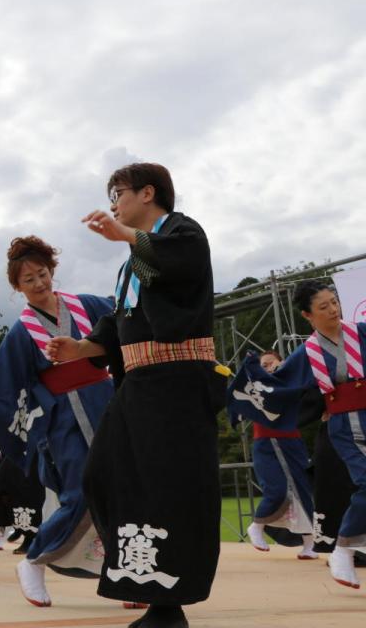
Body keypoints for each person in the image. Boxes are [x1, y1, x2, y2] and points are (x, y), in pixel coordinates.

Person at [48, 162, 227, 628]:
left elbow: (179, 261)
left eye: (119, 194)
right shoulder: (134, 262)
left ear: (148, 193)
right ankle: (146, 581)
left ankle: (168, 605)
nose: (114, 204)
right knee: (104, 474)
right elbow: (119, 324)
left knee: (168, 487)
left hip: (177, 380)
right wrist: (82, 347)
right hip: (140, 384)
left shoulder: (183, 233)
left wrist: (127, 237)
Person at [0, 236, 116, 607]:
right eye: (28, 279)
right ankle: (34, 560)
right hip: (63, 418)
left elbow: (123, 328)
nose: (38, 283)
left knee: (123, 489)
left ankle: (124, 576)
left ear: (53, 271)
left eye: (42, 274)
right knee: (78, 492)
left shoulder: (90, 305)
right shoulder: (21, 333)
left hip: (108, 405)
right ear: (17, 288)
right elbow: (2, 387)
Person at [228, 281, 366, 588]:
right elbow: (277, 387)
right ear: (307, 316)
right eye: (323, 306)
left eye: (334, 302)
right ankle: (342, 549)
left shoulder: (360, 332)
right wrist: (249, 375)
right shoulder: (309, 352)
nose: (333, 309)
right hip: (344, 425)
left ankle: (345, 547)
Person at [230, 350, 319, 559]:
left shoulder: (293, 384)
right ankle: (257, 525)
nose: (268, 368)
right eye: (264, 365)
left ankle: (309, 544)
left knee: (302, 491)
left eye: (272, 363)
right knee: (276, 490)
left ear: (283, 363)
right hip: (265, 443)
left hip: (292, 442)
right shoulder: (258, 388)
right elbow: (238, 406)